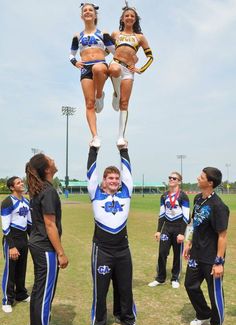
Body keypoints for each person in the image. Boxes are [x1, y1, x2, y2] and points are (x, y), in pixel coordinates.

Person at [87, 142, 145, 325]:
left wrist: (124, 150)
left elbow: (128, 173)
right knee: (100, 290)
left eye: (116, 178)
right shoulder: (96, 193)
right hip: (101, 250)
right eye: (110, 178)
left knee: (125, 288)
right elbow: (91, 173)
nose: (114, 180)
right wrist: (93, 149)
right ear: (103, 181)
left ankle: (129, 323)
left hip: (122, 250)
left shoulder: (125, 193)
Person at [24, 154, 69, 325]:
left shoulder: (38, 189)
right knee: (44, 292)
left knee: (39, 290)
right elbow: (50, 225)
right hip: (45, 247)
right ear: (47, 169)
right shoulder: (48, 191)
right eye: (51, 159)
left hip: (37, 244)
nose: (54, 159)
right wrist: (60, 253)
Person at [184, 167, 229, 325]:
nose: (198, 177)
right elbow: (192, 223)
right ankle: (203, 313)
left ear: (210, 182)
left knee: (215, 293)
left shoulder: (218, 206)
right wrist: (188, 243)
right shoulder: (197, 199)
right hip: (196, 253)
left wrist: (219, 262)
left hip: (211, 258)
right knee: (190, 285)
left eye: (201, 176)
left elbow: (222, 236)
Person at [69, 3, 115, 148]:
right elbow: (71, 54)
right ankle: (95, 136)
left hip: (100, 65)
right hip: (85, 68)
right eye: (85, 10)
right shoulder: (78, 36)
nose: (88, 12)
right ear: (82, 15)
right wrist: (75, 62)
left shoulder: (103, 33)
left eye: (90, 10)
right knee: (89, 104)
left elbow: (115, 51)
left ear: (95, 15)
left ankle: (100, 95)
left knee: (97, 68)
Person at [108, 5, 153, 146]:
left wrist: (141, 69)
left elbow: (150, 57)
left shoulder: (140, 37)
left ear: (135, 19)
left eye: (132, 16)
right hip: (116, 64)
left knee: (125, 103)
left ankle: (121, 136)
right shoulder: (115, 34)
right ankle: (116, 93)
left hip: (129, 70)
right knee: (114, 70)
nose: (129, 17)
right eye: (127, 15)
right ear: (122, 18)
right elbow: (106, 51)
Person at [148, 172, 190, 289]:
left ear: (179, 181)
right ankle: (160, 278)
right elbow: (161, 214)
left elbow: (186, 216)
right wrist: (158, 230)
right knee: (162, 253)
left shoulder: (183, 196)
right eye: (170, 178)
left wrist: (182, 233)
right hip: (166, 227)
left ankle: (175, 278)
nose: (171, 179)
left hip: (178, 228)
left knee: (177, 255)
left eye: (174, 178)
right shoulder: (164, 196)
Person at [1, 176, 31, 313]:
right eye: (18, 183)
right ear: (12, 187)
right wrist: (11, 246)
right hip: (11, 240)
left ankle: (21, 294)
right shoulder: (7, 202)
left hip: (23, 240)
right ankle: (7, 299)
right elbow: (5, 226)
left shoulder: (26, 201)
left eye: (21, 181)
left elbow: (29, 224)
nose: (22, 183)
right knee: (10, 270)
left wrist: (33, 240)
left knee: (21, 269)